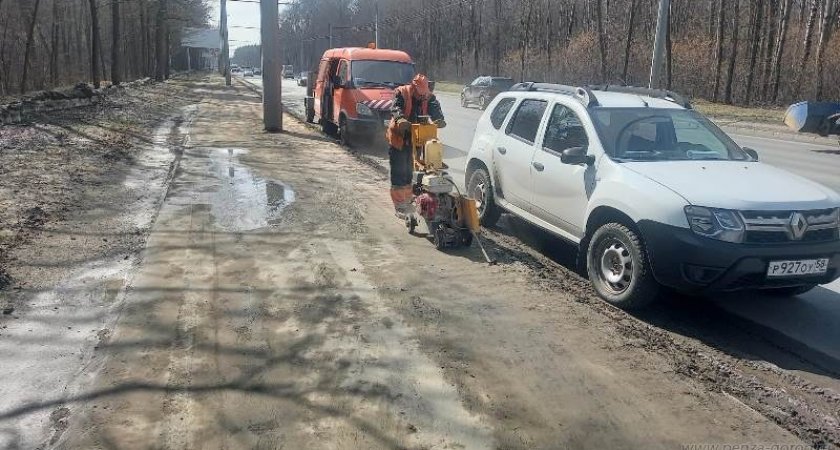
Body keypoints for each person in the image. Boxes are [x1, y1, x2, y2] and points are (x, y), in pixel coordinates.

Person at [386, 74, 446, 218]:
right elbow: (395, 107)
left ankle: (408, 200)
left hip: (416, 139)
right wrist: (400, 118)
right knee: (400, 172)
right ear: (414, 87)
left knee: (410, 172)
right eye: (420, 94)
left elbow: (434, 107)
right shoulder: (402, 92)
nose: (422, 97)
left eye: (424, 94)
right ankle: (400, 206)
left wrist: (439, 118)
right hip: (399, 138)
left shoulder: (427, 96)